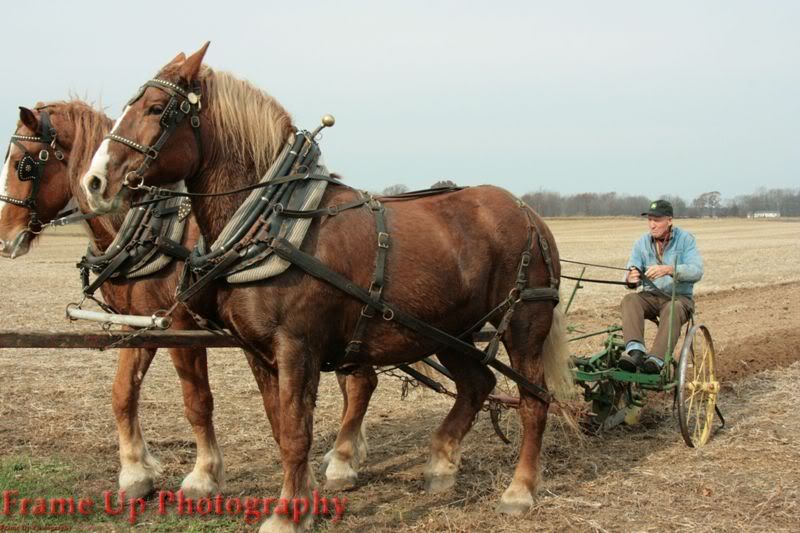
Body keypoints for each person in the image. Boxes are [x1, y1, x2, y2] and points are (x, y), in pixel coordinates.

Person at [618, 199, 703, 374]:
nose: (652, 225)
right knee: (630, 300)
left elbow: (696, 271)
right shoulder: (641, 243)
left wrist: (670, 270)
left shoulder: (686, 240)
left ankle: (656, 360)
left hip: (678, 298)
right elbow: (631, 269)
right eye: (649, 220)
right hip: (650, 297)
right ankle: (635, 352)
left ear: (669, 220)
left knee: (673, 308)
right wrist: (630, 278)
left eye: (656, 220)